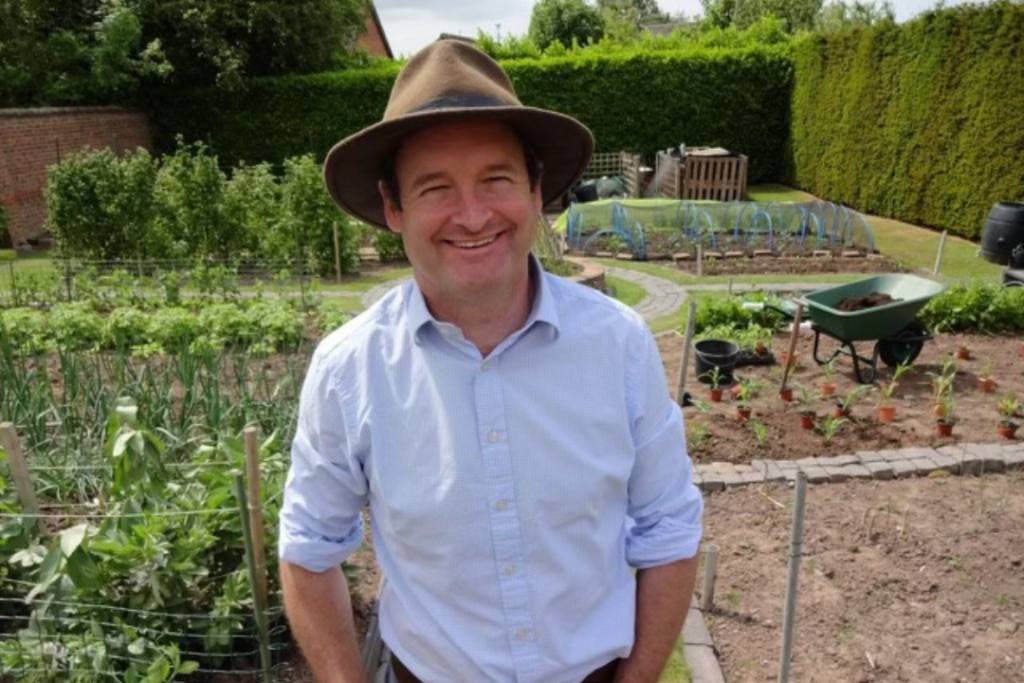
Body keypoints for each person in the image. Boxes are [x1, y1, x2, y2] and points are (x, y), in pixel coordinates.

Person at [278, 39, 704, 683]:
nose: (473, 214)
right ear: (394, 208)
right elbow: (308, 551)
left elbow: (669, 528)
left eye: (496, 179)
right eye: (435, 188)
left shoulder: (618, 344)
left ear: (536, 192)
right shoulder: (349, 370)